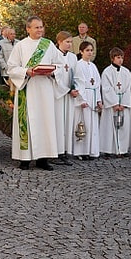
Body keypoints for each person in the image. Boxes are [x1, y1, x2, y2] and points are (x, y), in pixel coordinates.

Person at [7, 16, 64, 171]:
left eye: (41, 27)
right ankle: (24, 159)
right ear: (28, 29)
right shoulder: (21, 46)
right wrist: (27, 71)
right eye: (36, 27)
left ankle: (43, 158)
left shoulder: (49, 45)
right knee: (27, 122)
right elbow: (11, 67)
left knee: (45, 122)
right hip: (27, 88)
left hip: (44, 89)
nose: (40, 30)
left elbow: (61, 65)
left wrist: (52, 72)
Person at [100, 47, 131, 158]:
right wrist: (114, 103)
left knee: (123, 127)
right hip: (112, 105)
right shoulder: (107, 72)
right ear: (112, 58)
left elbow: (128, 88)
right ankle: (108, 150)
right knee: (109, 127)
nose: (120, 60)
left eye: (122, 58)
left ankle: (122, 150)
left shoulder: (126, 72)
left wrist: (123, 103)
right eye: (118, 57)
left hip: (123, 103)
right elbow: (106, 88)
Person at [73, 41, 102, 160]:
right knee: (83, 124)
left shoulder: (93, 66)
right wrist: (82, 99)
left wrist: (99, 100)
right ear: (81, 52)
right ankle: (81, 151)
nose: (90, 52)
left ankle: (92, 150)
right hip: (84, 98)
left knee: (93, 126)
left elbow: (98, 84)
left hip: (93, 96)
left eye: (91, 50)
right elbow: (78, 83)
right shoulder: (78, 65)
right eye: (87, 50)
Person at [53, 31, 78, 165]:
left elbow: (77, 75)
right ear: (59, 42)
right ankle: (55, 152)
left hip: (70, 95)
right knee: (58, 123)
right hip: (58, 95)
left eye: (70, 42)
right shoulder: (54, 55)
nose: (69, 44)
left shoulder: (73, 57)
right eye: (67, 42)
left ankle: (65, 151)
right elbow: (54, 76)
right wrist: (66, 90)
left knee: (68, 122)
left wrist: (75, 88)